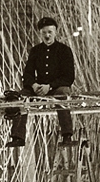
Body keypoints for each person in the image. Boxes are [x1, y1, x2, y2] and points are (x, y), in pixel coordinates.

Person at [6, 16, 76, 147]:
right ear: (40, 33)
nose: (47, 36)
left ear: (55, 32)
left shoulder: (64, 50)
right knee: (21, 97)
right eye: (44, 33)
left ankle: (67, 135)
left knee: (63, 94)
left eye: (50, 32)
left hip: (57, 87)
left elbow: (69, 77)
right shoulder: (35, 51)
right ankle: (18, 137)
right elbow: (27, 74)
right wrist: (34, 85)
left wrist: (50, 86)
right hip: (38, 88)